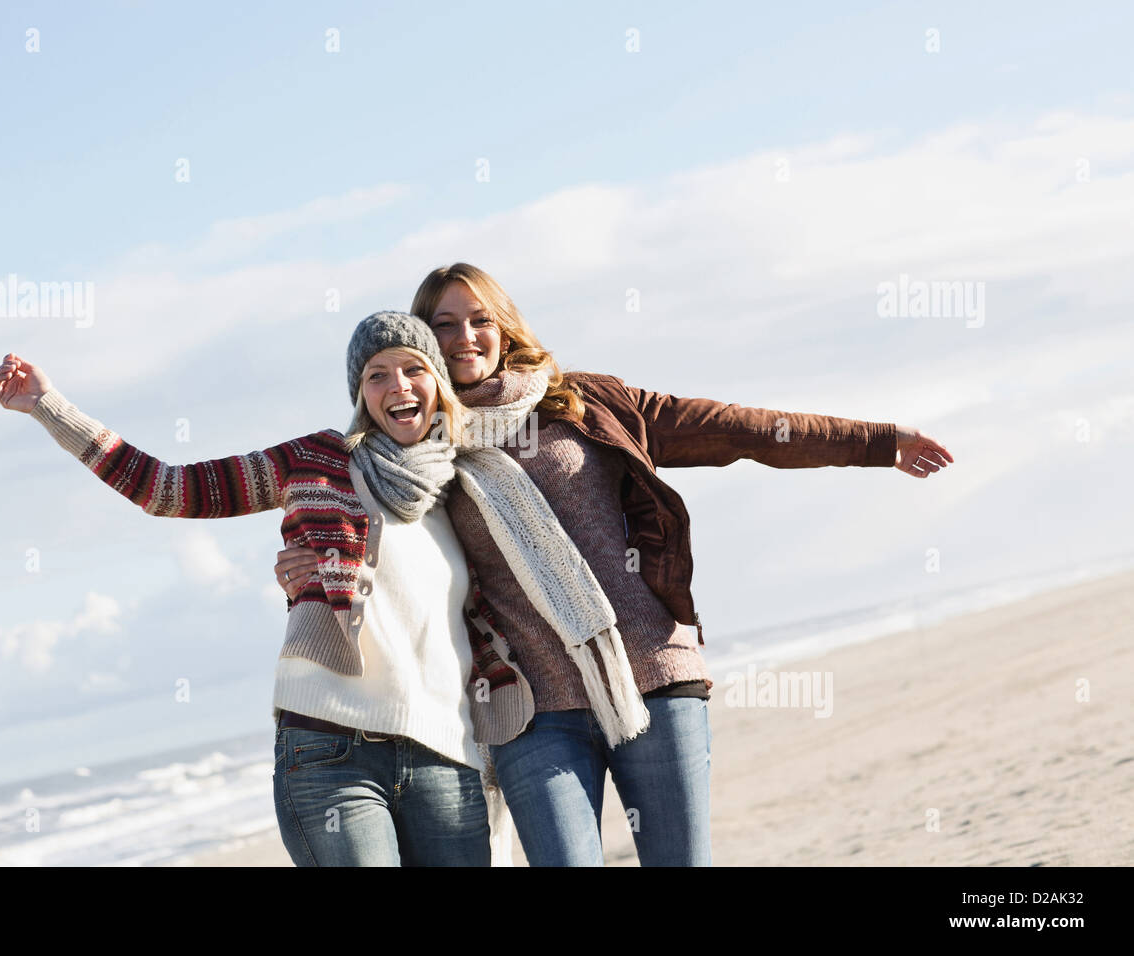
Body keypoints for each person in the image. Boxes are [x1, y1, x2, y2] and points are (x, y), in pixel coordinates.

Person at [276, 263, 955, 866]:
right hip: (531, 709)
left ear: (504, 326)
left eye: (479, 319)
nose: (464, 337)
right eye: (444, 324)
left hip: (653, 675)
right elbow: (359, 526)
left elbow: (737, 428)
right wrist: (307, 561)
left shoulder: (588, 402)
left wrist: (875, 441)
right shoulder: (415, 453)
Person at [0, 312, 509, 866]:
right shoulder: (317, 461)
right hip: (331, 751)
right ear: (360, 391)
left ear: (437, 380)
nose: (398, 386)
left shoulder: (468, 483)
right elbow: (169, 489)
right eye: (377, 374)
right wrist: (49, 406)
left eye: (413, 369)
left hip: (445, 756)